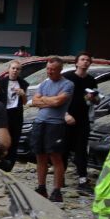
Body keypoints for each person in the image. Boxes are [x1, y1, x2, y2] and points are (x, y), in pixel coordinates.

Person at [29, 56, 74, 202]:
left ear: (60, 69)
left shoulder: (68, 84)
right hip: (39, 122)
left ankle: (56, 190)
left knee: (55, 157)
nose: (49, 72)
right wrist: (50, 100)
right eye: (48, 69)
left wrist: (45, 100)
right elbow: (34, 101)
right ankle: (41, 187)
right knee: (40, 155)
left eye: (53, 69)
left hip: (55, 125)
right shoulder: (44, 84)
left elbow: (58, 102)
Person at [64, 53, 99, 189]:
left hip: (83, 118)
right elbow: (60, 98)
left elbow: (97, 100)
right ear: (76, 63)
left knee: (82, 149)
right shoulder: (68, 78)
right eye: (83, 60)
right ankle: (60, 177)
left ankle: (83, 179)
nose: (85, 62)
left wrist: (92, 98)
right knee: (64, 148)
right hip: (67, 117)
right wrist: (65, 114)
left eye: (88, 60)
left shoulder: (91, 80)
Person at [0, 59, 28, 171]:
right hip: (4, 113)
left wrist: (23, 94)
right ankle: (1, 161)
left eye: (17, 69)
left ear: (20, 71)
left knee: (15, 140)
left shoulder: (23, 83)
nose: (15, 71)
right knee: (3, 139)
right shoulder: (1, 82)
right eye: (13, 68)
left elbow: (25, 102)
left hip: (16, 113)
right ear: (9, 70)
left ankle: (10, 164)